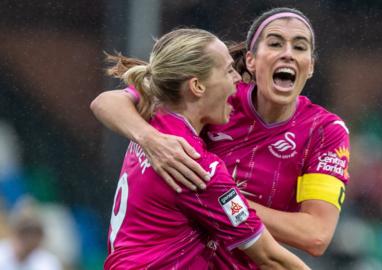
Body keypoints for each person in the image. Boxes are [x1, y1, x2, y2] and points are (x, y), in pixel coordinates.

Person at [91, 7, 350, 258]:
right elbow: (107, 101)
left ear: (311, 65)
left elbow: (316, 235)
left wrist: (224, 202)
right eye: (274, 43)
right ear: (251, 59)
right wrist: (150, 139)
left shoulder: (326, 131)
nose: (288, 54)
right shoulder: (217, 98)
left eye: (300, 47)